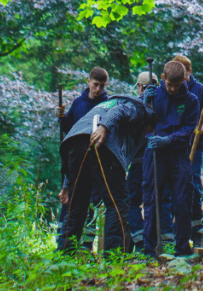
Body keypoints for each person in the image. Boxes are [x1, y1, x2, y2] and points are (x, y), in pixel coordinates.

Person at [59, 91, 155, 254]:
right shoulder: (138, 109)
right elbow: (118, 112)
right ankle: (113, 257)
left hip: (73, 144)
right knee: (118, 203)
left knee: (77, 203)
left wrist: (66, 182)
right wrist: (104, 127)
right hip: (101, 145)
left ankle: (64, 254)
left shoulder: (104, 104)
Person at [142, 60, 200, 257]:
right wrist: (143, 104)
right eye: (170, 85)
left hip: (178, 154)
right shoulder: (152, 96)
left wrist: (168, 139)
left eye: (178, 85)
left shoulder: (191, 100)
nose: (174, 89)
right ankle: (150, 250)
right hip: (154, 155)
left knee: (183, 201)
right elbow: (140, 124)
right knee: (151, 201)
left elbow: (188, 130)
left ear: (185, 79)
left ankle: (183, 249)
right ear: (163, 78)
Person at [55, 68, 110, 250]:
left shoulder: (107, 105)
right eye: (95, 84)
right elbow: (69, 128)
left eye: (102, 86)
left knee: (94, 203)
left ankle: (87, 245)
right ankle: (68, 245)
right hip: (78, 159)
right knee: (76, 202)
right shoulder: (79, 103)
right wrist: (61, 118)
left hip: (98, 159)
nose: (98, 89)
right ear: (88, 82)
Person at [172, 54, 203, 249]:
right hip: (174, 147)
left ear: (189, 72)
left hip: (194, 148)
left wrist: (198, 129)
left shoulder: (201, 91)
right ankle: (175, 232)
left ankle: (197, 232)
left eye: (183, 72)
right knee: (173, 189)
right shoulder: (170, 89)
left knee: (193, 188)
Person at [124, 71, 157, 253]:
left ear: (140, 87)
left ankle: (145, 243)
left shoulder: (145, 105)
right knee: (145, 203)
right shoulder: (138, 104)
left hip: (144, 162)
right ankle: (143, 241)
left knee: (134, 203)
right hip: (144, 161)